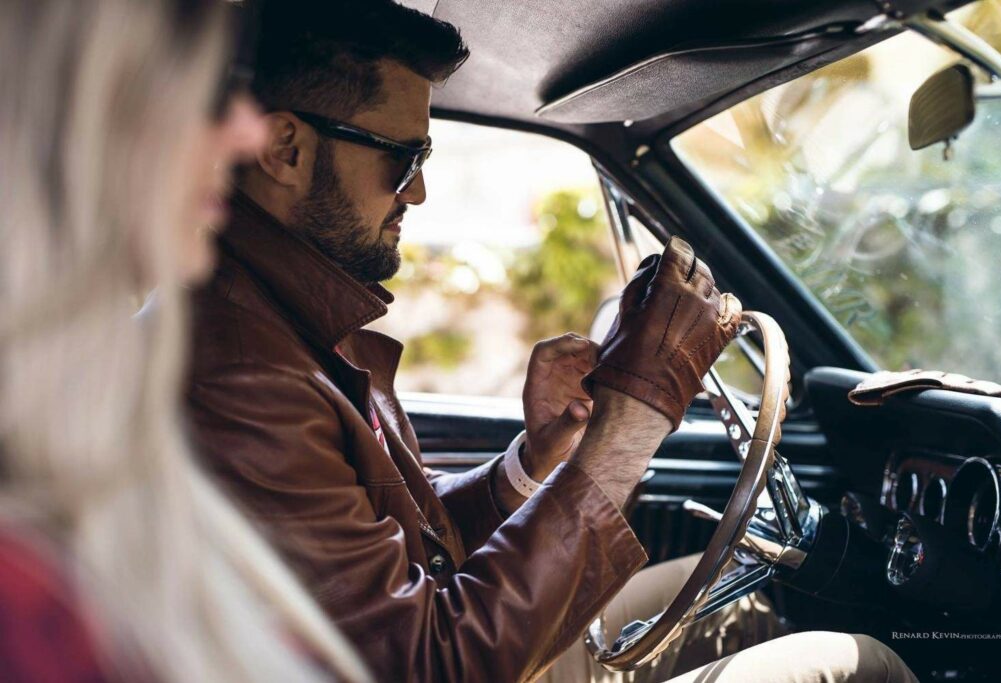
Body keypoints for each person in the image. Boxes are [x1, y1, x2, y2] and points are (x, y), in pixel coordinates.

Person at [185, 2, 919, 682]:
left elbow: (400, 542)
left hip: (458, 635)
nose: (417, 193)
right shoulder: (245, 371)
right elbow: (429, 660)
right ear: (286, 149)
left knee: (768, 602)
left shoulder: (287, 322)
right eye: (401, 160)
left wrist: (532, 461)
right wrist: (636, 417)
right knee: (859, 665)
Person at [0, 1, 371, 681]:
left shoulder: (99, 432)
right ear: (75, 113)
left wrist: (529, 467)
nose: (243, 131)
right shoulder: (23, 592)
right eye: (208, 92)